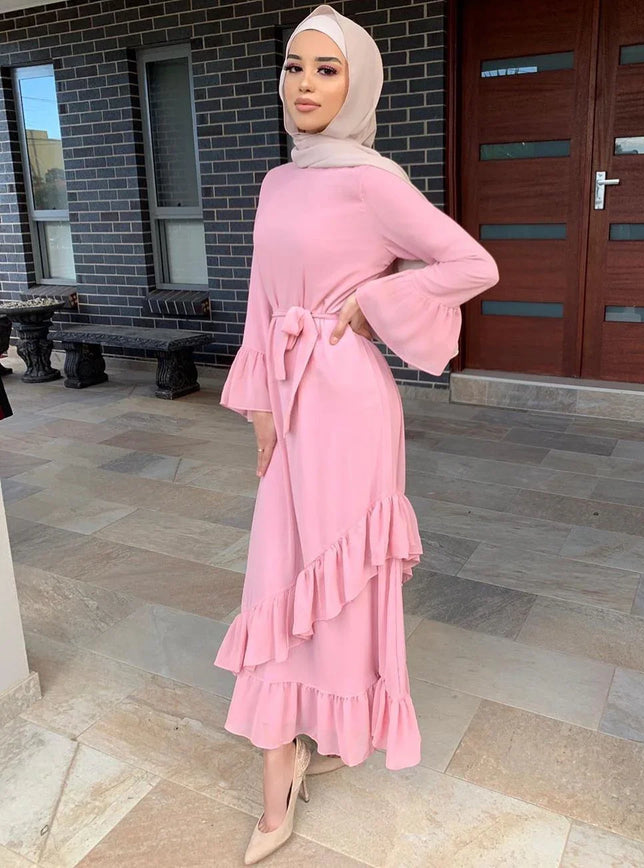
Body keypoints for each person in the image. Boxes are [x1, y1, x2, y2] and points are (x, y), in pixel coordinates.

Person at [213, 5, 499, 864]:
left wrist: (371, 304)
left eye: (325, 69)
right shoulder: (276, 180)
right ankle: (294, 747)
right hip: (292, 404)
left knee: (333, 581)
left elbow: (471, 265)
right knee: (276, 572)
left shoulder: (374, 181)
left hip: (349, 403)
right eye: (294, 66)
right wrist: (261, 409)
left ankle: (288, 774)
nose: (304, 84)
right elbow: (264, 307)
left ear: (357, 84)